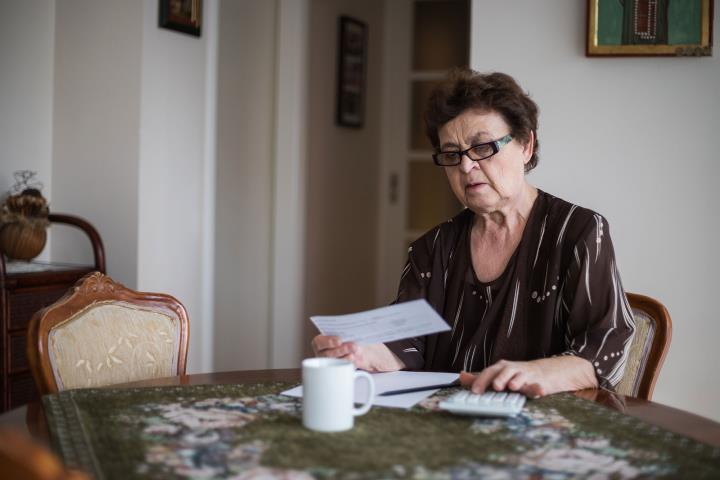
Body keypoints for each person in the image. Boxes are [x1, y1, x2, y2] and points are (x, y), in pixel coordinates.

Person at [312, 69, 635, 397]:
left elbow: (606, 349)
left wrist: (532, 372)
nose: (465, 167)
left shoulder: (577, 232)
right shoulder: (433, 248)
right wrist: (360, 353)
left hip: (544, 425)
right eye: (452, 154)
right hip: (446, 424)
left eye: (482, 147)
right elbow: (407, 344)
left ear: (526, 145)